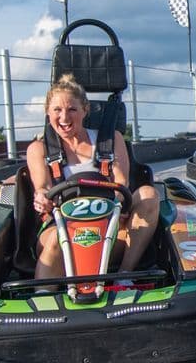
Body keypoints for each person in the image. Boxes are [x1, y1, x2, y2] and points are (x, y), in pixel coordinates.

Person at [24, 77, 160, 280]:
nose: (64, 117)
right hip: (61, 228)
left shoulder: (111, 140)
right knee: (56, 238)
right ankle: (43, 291)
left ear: (85, 110)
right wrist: (43, 197)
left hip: (108, 227)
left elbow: (121, 182)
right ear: (47, 112)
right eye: (57, 110)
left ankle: (125, 275)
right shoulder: (38, 149)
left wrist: (114, 207)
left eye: (72, 109)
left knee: (149, 194)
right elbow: (42, 186)